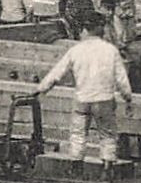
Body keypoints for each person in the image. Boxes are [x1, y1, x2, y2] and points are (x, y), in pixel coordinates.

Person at [36, 12, 134, 164]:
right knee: (107, 134)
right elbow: (121, 79)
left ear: (85, 30)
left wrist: (41, 89)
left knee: (78, 133)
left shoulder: (76, 50)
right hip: (105, 99)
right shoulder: (111, 51)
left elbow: (57, 73)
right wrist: (127, 98)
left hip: (82, 99)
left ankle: (76, 164)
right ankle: (107, 167)